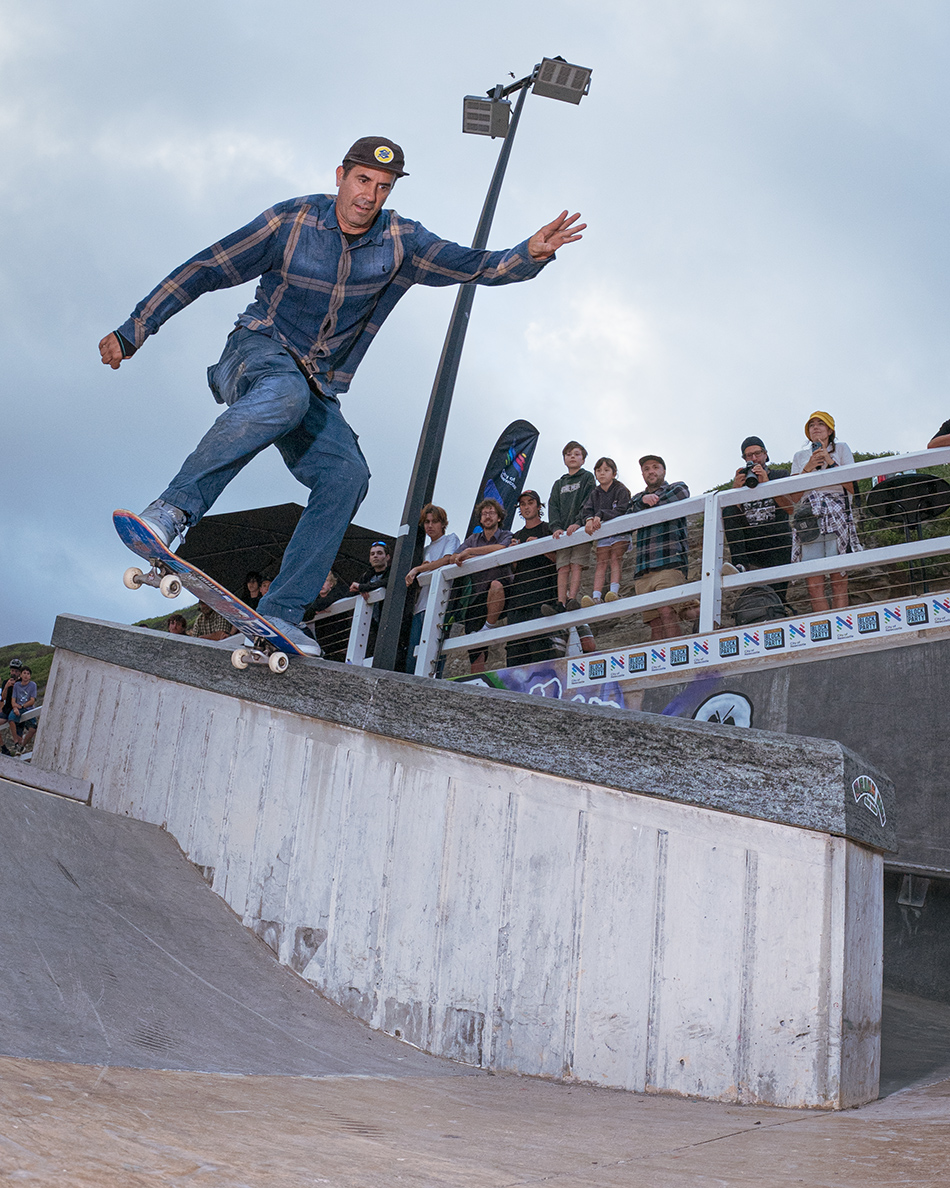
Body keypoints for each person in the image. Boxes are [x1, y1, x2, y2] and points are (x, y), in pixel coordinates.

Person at [99, 135, 585, 658]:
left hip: (317, 387)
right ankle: (172, 510)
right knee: (284, 393)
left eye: (382, 187)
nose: (369, 197)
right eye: (361, 181)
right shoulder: (290, 222)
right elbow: (206, 267)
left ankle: (282, 610)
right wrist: (136, 327)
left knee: (347, 476)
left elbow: (468, 264)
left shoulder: (401, 241)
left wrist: (526, 255)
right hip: (256, 350)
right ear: (339, 176)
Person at [791, 411, 859, 611]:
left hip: (838, 514)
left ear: (830, 429)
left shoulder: (842, 448)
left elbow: (854, 487)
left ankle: (843, 629)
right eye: (811, 425)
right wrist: (808, 468)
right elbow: (794, 497)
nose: (816, 428)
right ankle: (826, 632)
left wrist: (830, 462)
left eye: (821, 423)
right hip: (809, 517)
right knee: (814, 584)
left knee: (839, 580)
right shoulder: (800, 456)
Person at [627, 455, 695, 641]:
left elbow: (681, 494)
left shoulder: (676, 487)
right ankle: (658, 668)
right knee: (654, 623)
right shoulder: (636, 499)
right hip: (643, 569)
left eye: (655, 467)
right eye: (647, 468)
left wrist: (646, 504)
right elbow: (626, 513)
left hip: (669, 563)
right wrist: (642, 501)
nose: (651, 471)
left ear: (664, 471)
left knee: (667, 612)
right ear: (642, 474)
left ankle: (678, 659)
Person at [723, 436, 794, 610]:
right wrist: (735, 491)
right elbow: (729, 515)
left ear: (766, 455)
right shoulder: (741, 480)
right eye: (748, 456)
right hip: (752, 544)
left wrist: (767, 485)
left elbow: (790, 508)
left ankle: (779, 613)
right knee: (728, 508)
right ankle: (740, 564)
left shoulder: (780, 475)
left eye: (757, 453)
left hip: (777, 542)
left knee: (776, 596)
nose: (754, 459)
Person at [452, 498, 514, 674]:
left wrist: (470, 552)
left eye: (491, 513)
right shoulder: (473, 538)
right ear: (480, 519)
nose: (487, 516)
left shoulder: (506, 534)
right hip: (478, 595)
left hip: (504, 591)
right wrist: (465, 554)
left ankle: (489, 627)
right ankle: (476, 678)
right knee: (475, 648)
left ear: (499, 517)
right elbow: (454, 558)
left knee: (495, 585)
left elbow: (501, 548)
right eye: (484, 513)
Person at [505, 490, 559, 667]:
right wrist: (513, 554)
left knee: (541, 650)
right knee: (515, 653)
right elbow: (514, 569)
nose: (526, 507)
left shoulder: (548, 528)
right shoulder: (516, 536)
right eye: (522, 504)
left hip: (542, 598)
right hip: (518, 602)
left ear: (538, 505)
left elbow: (559, 559)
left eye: (530, 502)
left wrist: (538, 546)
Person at [404, 504, 460, 672]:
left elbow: (446, 560)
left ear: (443, 523)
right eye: (426, 522)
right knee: (413, 657)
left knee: (436, 655)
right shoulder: (424, 550)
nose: (429, 526)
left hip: (440, 606)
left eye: (434, 521)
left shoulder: (451, 538)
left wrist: (418, 569)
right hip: (420, 607)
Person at [546, 441, 596, 614]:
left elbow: (589, 500)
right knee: (562, 567)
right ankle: (560, 601)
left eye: (576, 454)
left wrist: (579, 522)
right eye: (568, 454)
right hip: (562, 534)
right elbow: (553, 507)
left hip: (580, 530)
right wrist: (556, 527)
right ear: (564, 459)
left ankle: (572, 598)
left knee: (576, 564)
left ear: (583, 459)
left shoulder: (587, 477)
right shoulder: (559, 484)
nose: (572, 456)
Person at [577, 457, 632, 607]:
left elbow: (622, 509)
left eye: (606, 470)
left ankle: (614, 591)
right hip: (603, 534)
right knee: (601, 562)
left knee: (615, 558)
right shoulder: (595, 493)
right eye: (599, 470)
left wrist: (601, 514)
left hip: (619, 532)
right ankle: (596, 596)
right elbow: (587, 509)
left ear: (614, 473)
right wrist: (589, 519)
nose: (602, 474)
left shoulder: (621, 490)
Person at [350, 540, 392, 655]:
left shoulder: (392, 572)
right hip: (369, 623)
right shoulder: (366, 576)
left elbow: (386, 583)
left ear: (387, 557)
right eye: (372, 554)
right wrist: (360, 590)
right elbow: (352, 592)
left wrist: (363, 587)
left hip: (388, 621)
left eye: (379, 553)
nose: (375, 556)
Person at [6, 666, 37, 753]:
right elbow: (13, 700)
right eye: (24, 673)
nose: (26, 675)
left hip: (27, 708)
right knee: (11, 719)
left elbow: (32, 701)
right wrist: (15, 707)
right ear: (21, 674)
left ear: (30, 676)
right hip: (18, 708)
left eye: (28, 674)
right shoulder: (16, 685)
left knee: (33, 729)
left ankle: (22, 746)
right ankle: (16, 743)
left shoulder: (33, 685)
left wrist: (22, 706)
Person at [1, 659, 23, 755]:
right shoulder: (6, 682)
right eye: (12, 671)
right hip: (7, 709)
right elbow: (3, 697)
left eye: (16, 671)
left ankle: (18, 748)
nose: (14, 673)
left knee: (20, 733)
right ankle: (4, 748)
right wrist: (7, 686)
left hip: (18, 708)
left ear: (20, 672)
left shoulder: (23, 682)